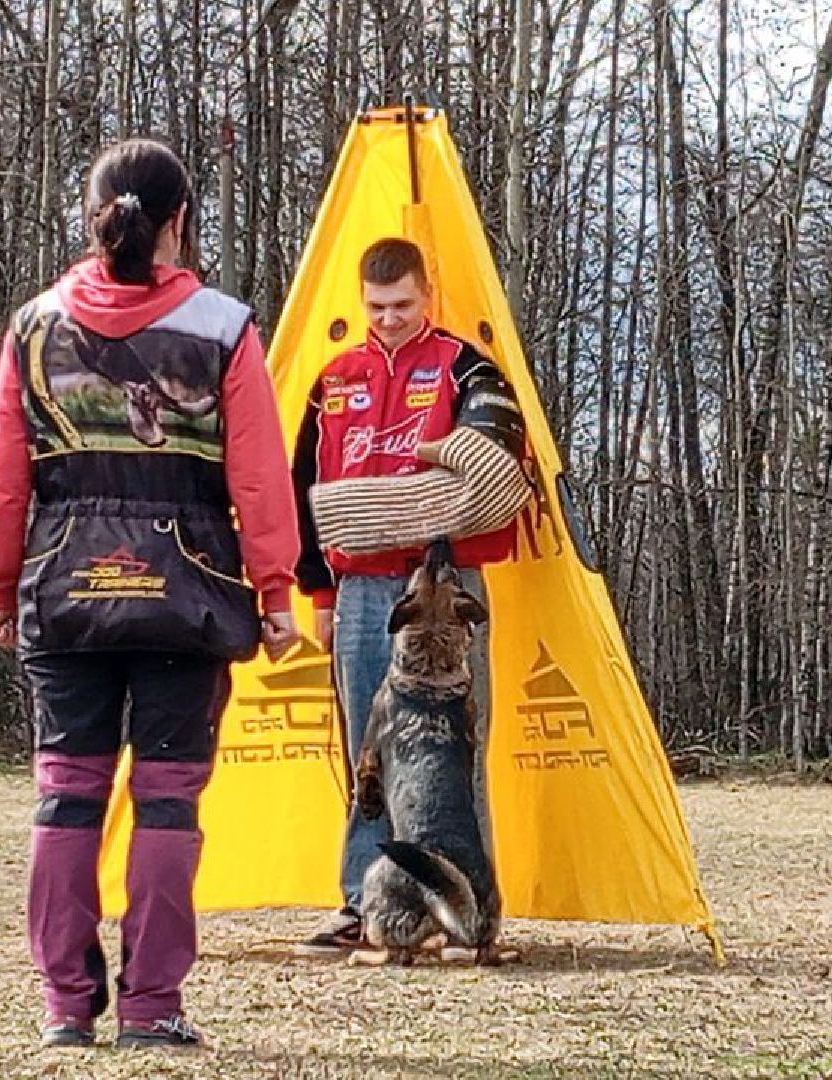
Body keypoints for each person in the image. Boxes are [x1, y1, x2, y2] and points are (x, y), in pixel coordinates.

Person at [0, 138, 300, 1049]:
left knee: (66, 795)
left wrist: (0, 582)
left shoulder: (33, 325)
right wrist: (274, 593)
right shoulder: (224, 327)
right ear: (179, 222)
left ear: (95, 218)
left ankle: (65, 1009)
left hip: (64, 588)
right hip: (185, 596)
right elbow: (261, 480)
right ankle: (153, 1008)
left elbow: (6, 479)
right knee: (167, 802)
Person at [288, 237, 529, 957]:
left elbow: (492, 474)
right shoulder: (333, 379)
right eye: (376, 307)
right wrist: (318, 589)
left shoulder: (465, 366)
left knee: (453, 751)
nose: (389, 319)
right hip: (361, 588)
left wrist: (381, 505)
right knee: (371, 748)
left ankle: (469, 905)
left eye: (402, 305)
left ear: (429, 295)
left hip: (444, 590)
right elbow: (306, 494)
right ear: (359, 302)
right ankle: (366, 902)